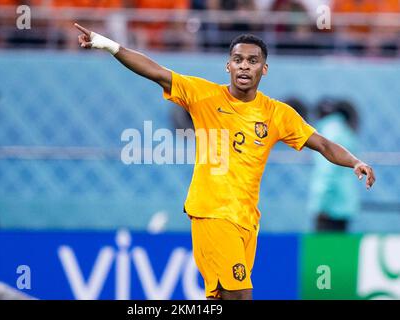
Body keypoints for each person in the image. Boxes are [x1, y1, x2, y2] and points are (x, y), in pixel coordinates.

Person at [74, 23, 376, 300]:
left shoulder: (277, 114)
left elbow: (321, 143)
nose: (245, 65)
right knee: (240, 295)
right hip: (213, 214)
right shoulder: (203, 96)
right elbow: (156, 72)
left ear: (264, 69)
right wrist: (106, 44)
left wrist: (354, 162)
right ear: (228, 65)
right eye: (238, 59)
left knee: (220, 298)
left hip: (246, 219)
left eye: (253, 60)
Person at [309, 98, 360, 232]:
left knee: (323, 250)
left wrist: (320, 205)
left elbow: (326, 173)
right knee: (339, 249)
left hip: (330, 207)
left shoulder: (326, 132)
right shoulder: (344, 130)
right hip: (345, 203)